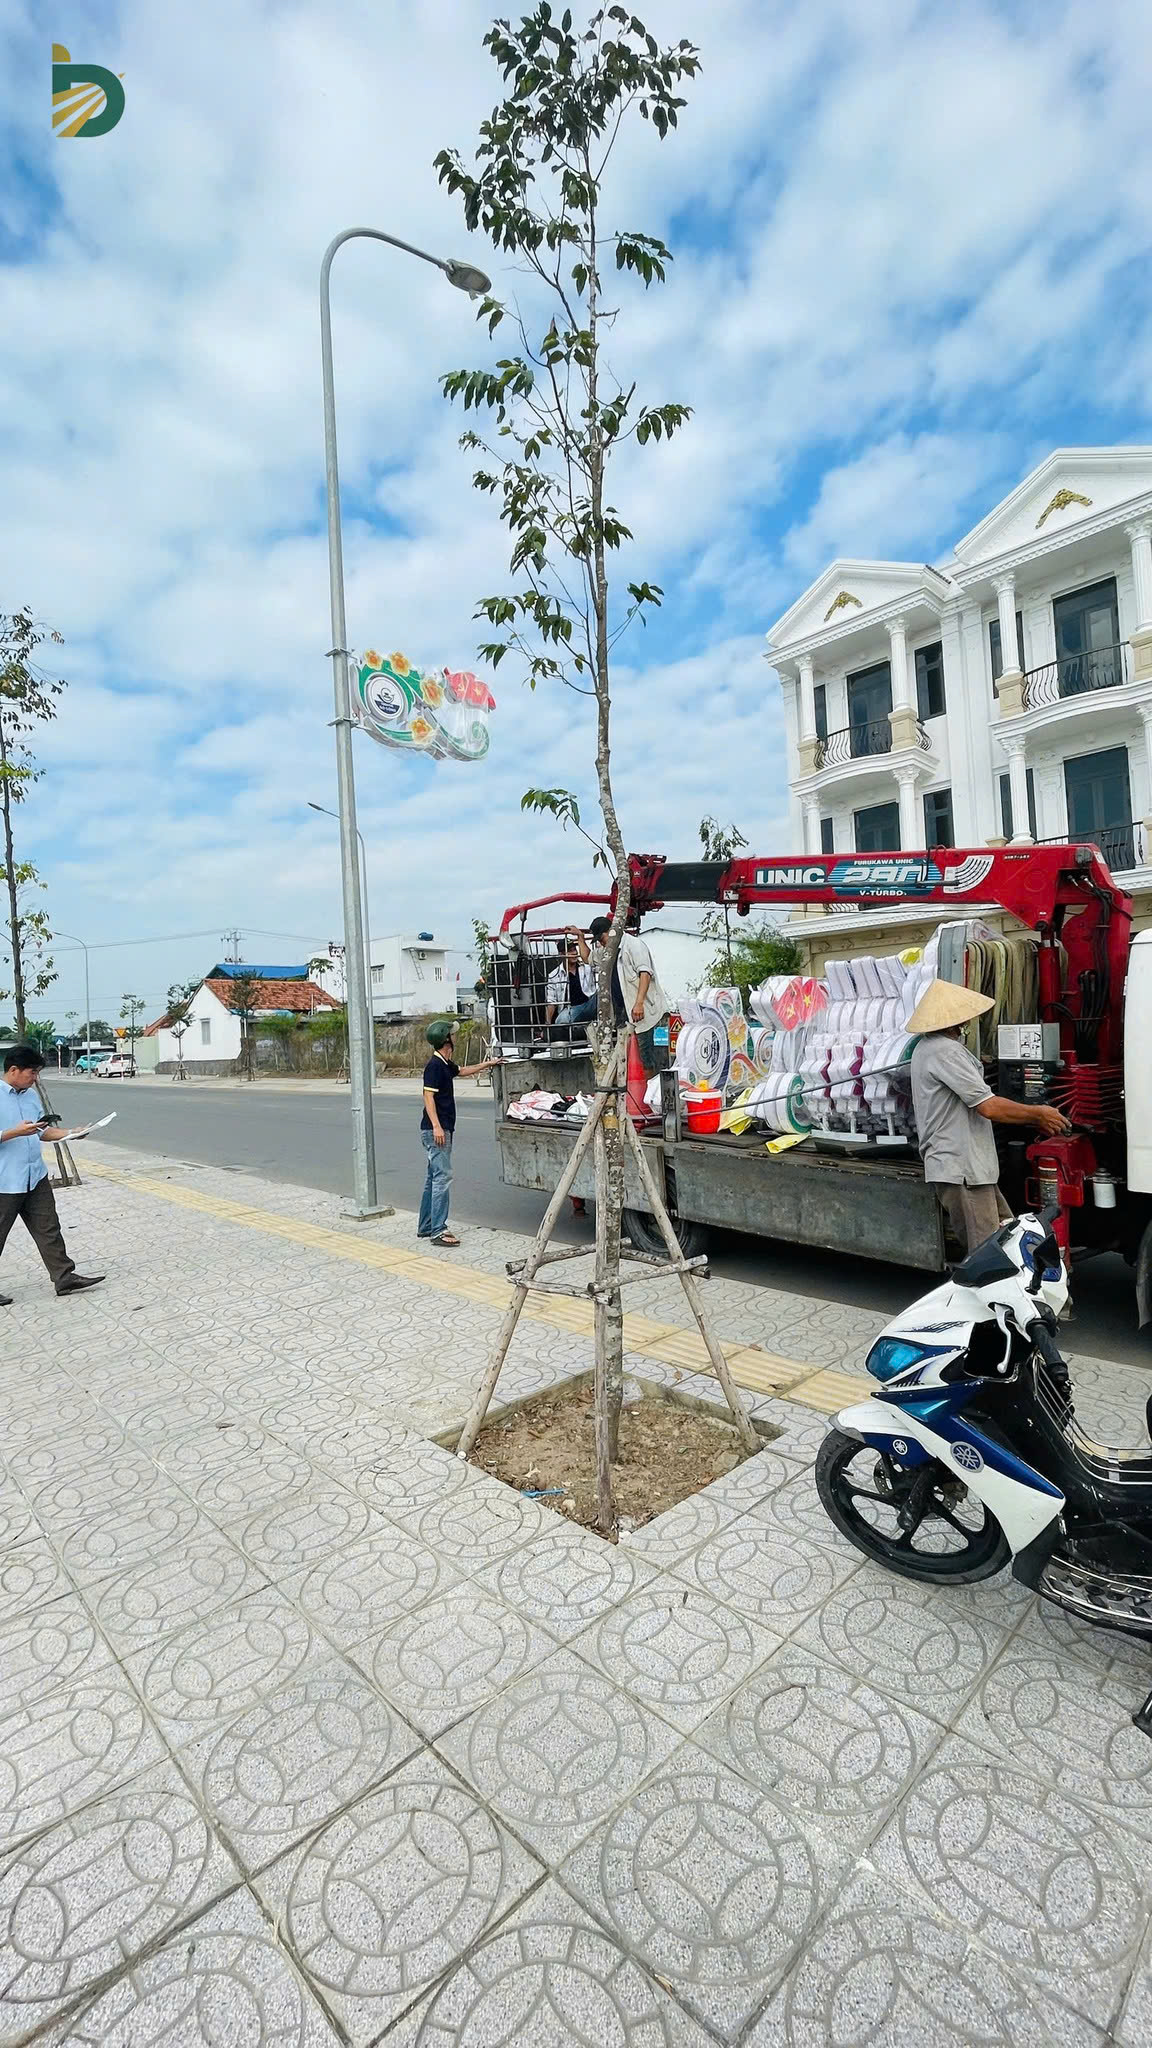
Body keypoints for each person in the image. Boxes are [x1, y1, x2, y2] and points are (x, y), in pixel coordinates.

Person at [906, 980, 1071, 1254]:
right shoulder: (945, 1051)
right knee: (987, 1254)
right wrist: (1038, 1114)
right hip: (962, 1169)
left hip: (969, 1169)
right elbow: (989, 1107)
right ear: (954, 1021)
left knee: (1006, 1241)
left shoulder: (929, 1048)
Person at [0, 1044, 104, 1301]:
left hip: (35, 1176)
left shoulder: (30, 1097)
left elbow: (42, 1132)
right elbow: (18, 1132)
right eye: (32, 1072)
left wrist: (71, 1133)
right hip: (5, 1181)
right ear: (14, 1070)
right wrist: (14, 1132)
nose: (35, 1078)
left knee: (49, 1228)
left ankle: (64, 1277)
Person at [419, 1020, 500, 1248]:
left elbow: (462, 1071)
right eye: (452, 1034)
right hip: (437, 1130)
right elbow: (428, 1096)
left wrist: (487, 1064)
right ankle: (438, 1230)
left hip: (438, 1129)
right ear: (446, 1039)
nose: (455, 1037)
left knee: (433, 1178)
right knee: (442, 1178)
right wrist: (437, 1126)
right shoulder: (434, 1066)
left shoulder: (444, 1063)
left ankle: (426, 1225)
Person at [578, 914, 671, 1075]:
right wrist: (580, 937)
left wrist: (639, 1003)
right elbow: (587, 958)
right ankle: (640, 1088)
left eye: (602, 938)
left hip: (647, 1013)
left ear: (612, 931)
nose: (601, 943)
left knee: (650, 1059)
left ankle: (655, 1089)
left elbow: (645, 973)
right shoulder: (607, 951)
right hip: (625, 1014)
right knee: (631, 1058)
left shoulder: (633, 945)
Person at [545, 934, 596, 1031]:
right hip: (571, 1009)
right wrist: (547, 1024)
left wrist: (580, 936)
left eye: (574, 949)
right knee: (561, 1021)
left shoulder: (586, 967)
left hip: (589, 1004)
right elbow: (551, 1002)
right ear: (561, 954)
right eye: (570, 951)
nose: (574, 953)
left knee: (601, 995)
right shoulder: (554, 975)